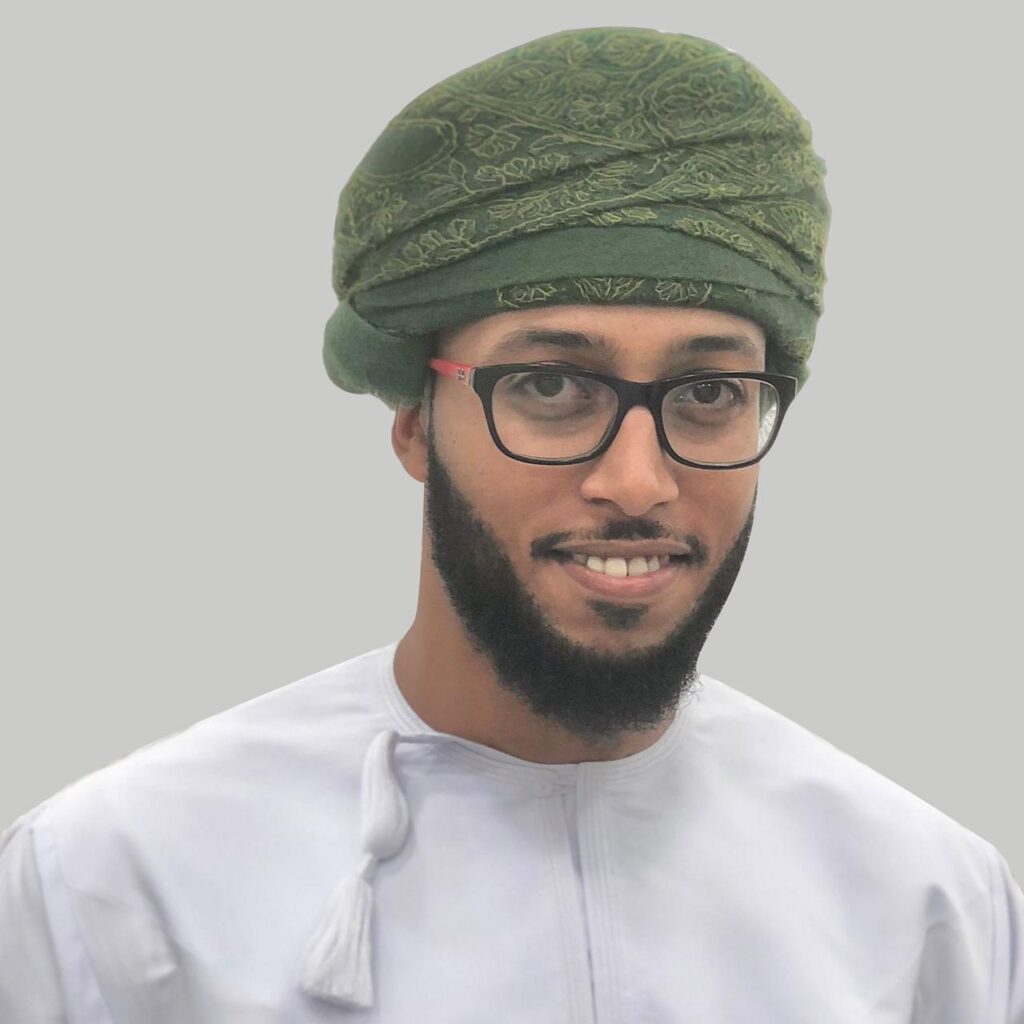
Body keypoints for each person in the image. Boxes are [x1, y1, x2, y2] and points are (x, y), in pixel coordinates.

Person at [1, 25, 1021, 1022]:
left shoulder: (922, 899)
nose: (638, 482)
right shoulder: (120, 880)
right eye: (550, 385)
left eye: (709, 393)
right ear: (415, 425)